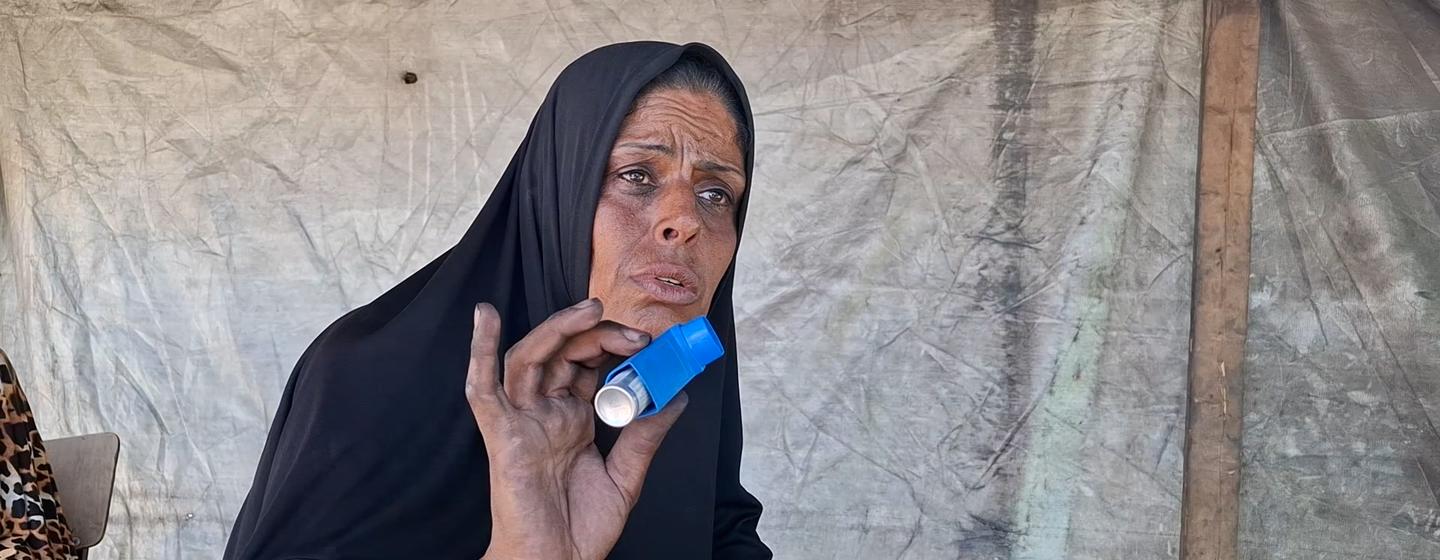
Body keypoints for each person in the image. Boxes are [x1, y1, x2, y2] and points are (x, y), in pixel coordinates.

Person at [224, 42, 771, 559]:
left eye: (715, 193)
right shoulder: (371, 375)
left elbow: (725, 536)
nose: (685, 221)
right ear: (561, 188)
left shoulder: (679, 374)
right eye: (636, 176)